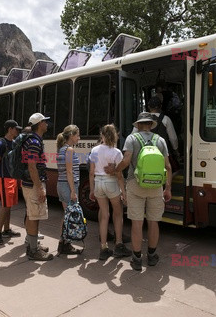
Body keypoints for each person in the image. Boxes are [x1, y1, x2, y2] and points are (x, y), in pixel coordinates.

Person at [113, 112, 172, 271]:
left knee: (137, 224)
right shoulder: (160, 140)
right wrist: (168, 188)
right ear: (151, 125)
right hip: (156, 187)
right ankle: (152, 256)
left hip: (135, 184)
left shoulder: (132, 139)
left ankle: (137, 258)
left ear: (138, 125)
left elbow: (125, 161)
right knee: (154, 222)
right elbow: (168, 166)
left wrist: (116, 171)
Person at [89, 124, 130, 260]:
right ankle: (119, 245)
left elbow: (91, 172)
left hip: (98, 183)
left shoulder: (94, 150)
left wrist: (91, 189)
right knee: (117, 214)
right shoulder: (116, 152)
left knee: (104, 215)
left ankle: (103, 247)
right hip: (111, 183)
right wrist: (123, 192)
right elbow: (118, 174)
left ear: (102, 135)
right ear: (114, 135)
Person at [22, 113, 53, 261]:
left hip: (30, 184)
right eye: (45, 122)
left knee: (32, 215)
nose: (47, 124)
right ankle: (34, 251)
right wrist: (40, 187)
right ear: (39, 124)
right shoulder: (34, 142)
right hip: (33, 185)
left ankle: (32, 245)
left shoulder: (33, 140)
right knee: (34, 217)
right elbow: (32, 167)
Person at [0, 120, 22, 245]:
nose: (18, 131)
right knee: (5, 206)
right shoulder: (1, 144)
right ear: (10, 129)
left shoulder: (14, 143)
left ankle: (6, 229)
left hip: (12, 178)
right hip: (4, 178)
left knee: (9, 205)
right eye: (16, 129)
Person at [56, 124, 82, 255]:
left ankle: (63, 243)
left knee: (66, 215)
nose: (79, 138)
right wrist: (73, 191)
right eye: (77, 135)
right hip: (68, 186)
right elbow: (69, 172)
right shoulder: (69, 150)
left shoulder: (61, 149)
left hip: (61, 185)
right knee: (70, 216)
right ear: (71, 136)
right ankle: (65, 244)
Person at [145, 96, 180, 162]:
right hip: (162, 153)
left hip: (145, 153)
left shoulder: (142, 120)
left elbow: (133, 135)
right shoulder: (166, 119)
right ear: (160, 106)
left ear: (148, 107)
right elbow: (173, 138)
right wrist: (176, 151)